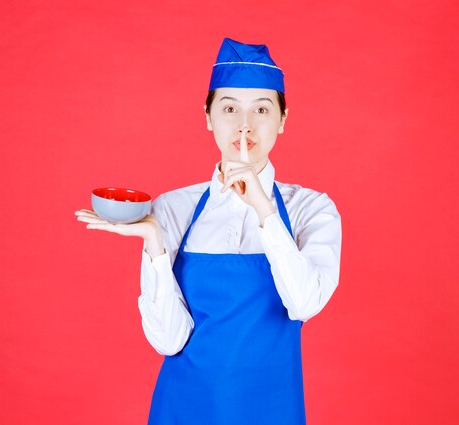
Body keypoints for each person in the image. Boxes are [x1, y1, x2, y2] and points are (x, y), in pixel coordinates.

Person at [75, 37, 342, 425]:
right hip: (182, 409)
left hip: (272, 410)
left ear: (283, 120)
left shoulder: (312, 209)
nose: (244, 125)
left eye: (262, 110)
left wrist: (263, 209)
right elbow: (168, 340)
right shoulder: (172, 208)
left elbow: (304, 303)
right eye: (229, 108)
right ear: (207, 116)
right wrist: (155, 246)